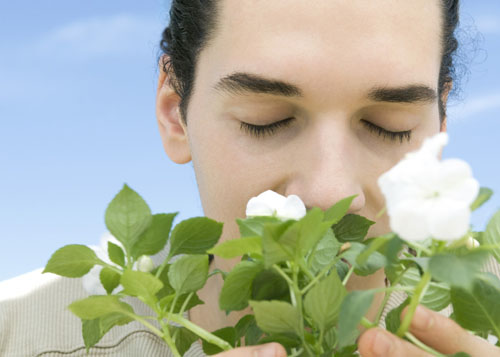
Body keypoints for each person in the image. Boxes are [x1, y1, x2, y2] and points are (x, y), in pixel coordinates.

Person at [0, 0, 499, 356]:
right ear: (176, 114)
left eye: (388, 127)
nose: (330, 192)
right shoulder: (18, 335)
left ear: (440, 127)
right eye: (266, 120)